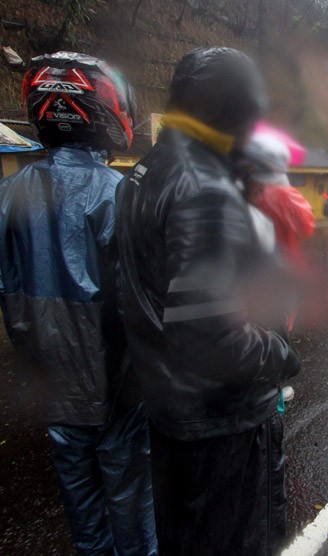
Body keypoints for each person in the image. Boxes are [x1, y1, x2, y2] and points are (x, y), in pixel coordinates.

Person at [117, 47, 300, 555]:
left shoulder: (142, 173)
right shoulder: (204, 187)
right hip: (225, 424)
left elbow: (142, 290)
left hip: (171, 412)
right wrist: (281, 354)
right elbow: (211, 339)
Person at [0, 52, 157, 555]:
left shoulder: (9, 195)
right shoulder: (120, 194)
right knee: (133, 513)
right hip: (118, 392)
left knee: (84, 517)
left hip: (54, 389)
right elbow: (145, 300)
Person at [234, 121, 317, 403]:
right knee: (276, 334)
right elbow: (305, 223)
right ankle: (274, 395)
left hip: (246, 280)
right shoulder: (281, 193)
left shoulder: (236, 189)